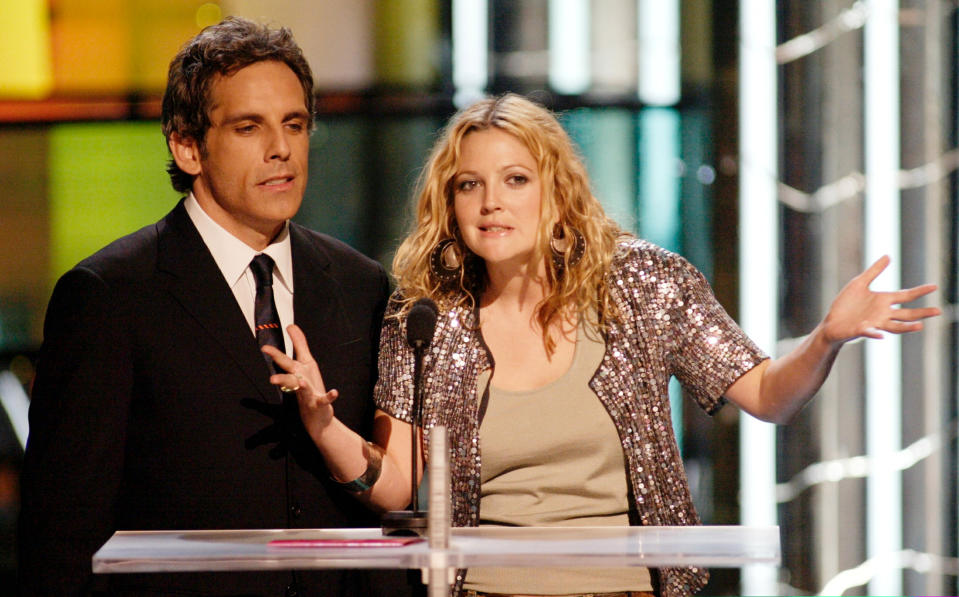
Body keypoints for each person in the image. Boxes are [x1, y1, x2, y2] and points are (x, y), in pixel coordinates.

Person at [264, 93, 941, 597]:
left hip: (625, 587)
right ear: (449, 202)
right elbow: (401, 484)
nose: (490, 202)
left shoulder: (645, 285)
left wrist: (825, 338)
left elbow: (767, 396)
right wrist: (323, 425)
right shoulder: (426, 315)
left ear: (555, 190)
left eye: (514, 179)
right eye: (468, 184)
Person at [18, 17, 414, 597]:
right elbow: (62, 530)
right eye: (249, 127)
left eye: (295, 124)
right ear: (187, 145)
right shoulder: (110, 294)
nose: (281, 149)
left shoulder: (362, 284)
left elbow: (384, 498)